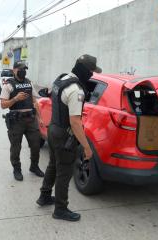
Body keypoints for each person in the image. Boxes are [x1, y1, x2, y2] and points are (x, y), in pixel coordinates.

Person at [36, 54, 102, 221]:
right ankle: (60, 208)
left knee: (53, 164)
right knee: (64, 172)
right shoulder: (76, 90)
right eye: (92, 72)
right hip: (64, 135)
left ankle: (44, 196)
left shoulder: (62, 79)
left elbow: (52, 97)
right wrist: (86, 147)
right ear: (86, 71)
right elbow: (75, 122)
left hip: (53, 129)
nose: (92, 75)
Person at [0, 61, 45, 181]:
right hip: (16, 121)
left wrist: (39, 118)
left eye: (24, 68)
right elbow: (3, 105)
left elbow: (35, 102)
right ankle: (17, 169)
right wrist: (15, 98)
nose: (23, 71)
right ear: (14, 70)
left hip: (31, 119)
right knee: (16, 147)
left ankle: (34, 167)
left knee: (36, 145)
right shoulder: (8, 85)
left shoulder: (29, 83)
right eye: (20, 69)